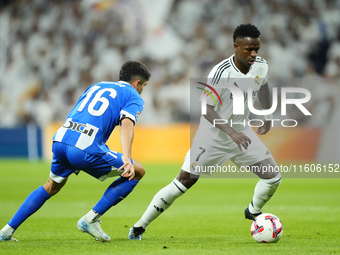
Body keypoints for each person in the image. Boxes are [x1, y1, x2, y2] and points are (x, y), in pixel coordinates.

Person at [128, 24, 281, 240]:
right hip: (213, 137)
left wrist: (266, 114)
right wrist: (231, 132)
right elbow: (206, 108)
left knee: (273, 177)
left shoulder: (261, 66)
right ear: (236, 47)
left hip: (242, 134)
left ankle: (253, 211)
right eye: (249, 49)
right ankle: (139, 226)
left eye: (257, 49)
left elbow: (262, 85)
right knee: (183, 182)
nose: (254, 54)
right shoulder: (220, 73)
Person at [0, 61, 151, 242]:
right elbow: (127, 124)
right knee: (137, 171)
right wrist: (127, 157)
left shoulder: (96, 86)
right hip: (85, 147)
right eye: (143, 85)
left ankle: (6, 231)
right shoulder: (133, 95)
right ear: (137, 83)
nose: (142, 90)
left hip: (62, 139)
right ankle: (90, 219)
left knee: (51, 186)